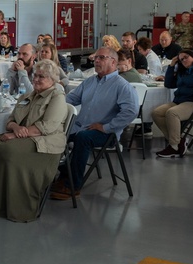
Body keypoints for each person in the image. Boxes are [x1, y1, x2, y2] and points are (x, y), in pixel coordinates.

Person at [0, 60, 67, 222]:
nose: (35, 79)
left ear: (52, 80)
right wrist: (14, 128)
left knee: (9, 151)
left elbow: (46, 127)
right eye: (35, 75)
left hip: (44, 143)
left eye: (41, 77)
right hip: (23, 136)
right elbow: (11, 119)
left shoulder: (57, 97)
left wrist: (16, 134)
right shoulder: (27, 96)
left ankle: (16, 207)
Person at [49, 47, 137, 200]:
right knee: (54, 132)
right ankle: (62, 172)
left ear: (113, 62)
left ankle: (73, 185)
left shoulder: (122, 85)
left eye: (101, 57)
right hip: (82, 126)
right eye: (96, 57)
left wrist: (106, 127)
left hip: (106, 133)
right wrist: (51, 103)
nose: (96, 60)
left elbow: (131, 111)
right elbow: (70, 99)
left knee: (83, 138)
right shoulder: (90, 81)